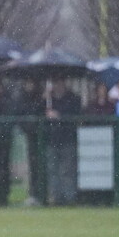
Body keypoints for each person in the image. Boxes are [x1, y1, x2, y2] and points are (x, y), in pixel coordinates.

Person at [44, 77, 82, 205]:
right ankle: (55, 197)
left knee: (67, 170)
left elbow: (75, 116)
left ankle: (69, 198)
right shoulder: (48, 100)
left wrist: (59, 116)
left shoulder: (72, 98)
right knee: (52, 170)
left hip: (67, 139)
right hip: (52, 139)